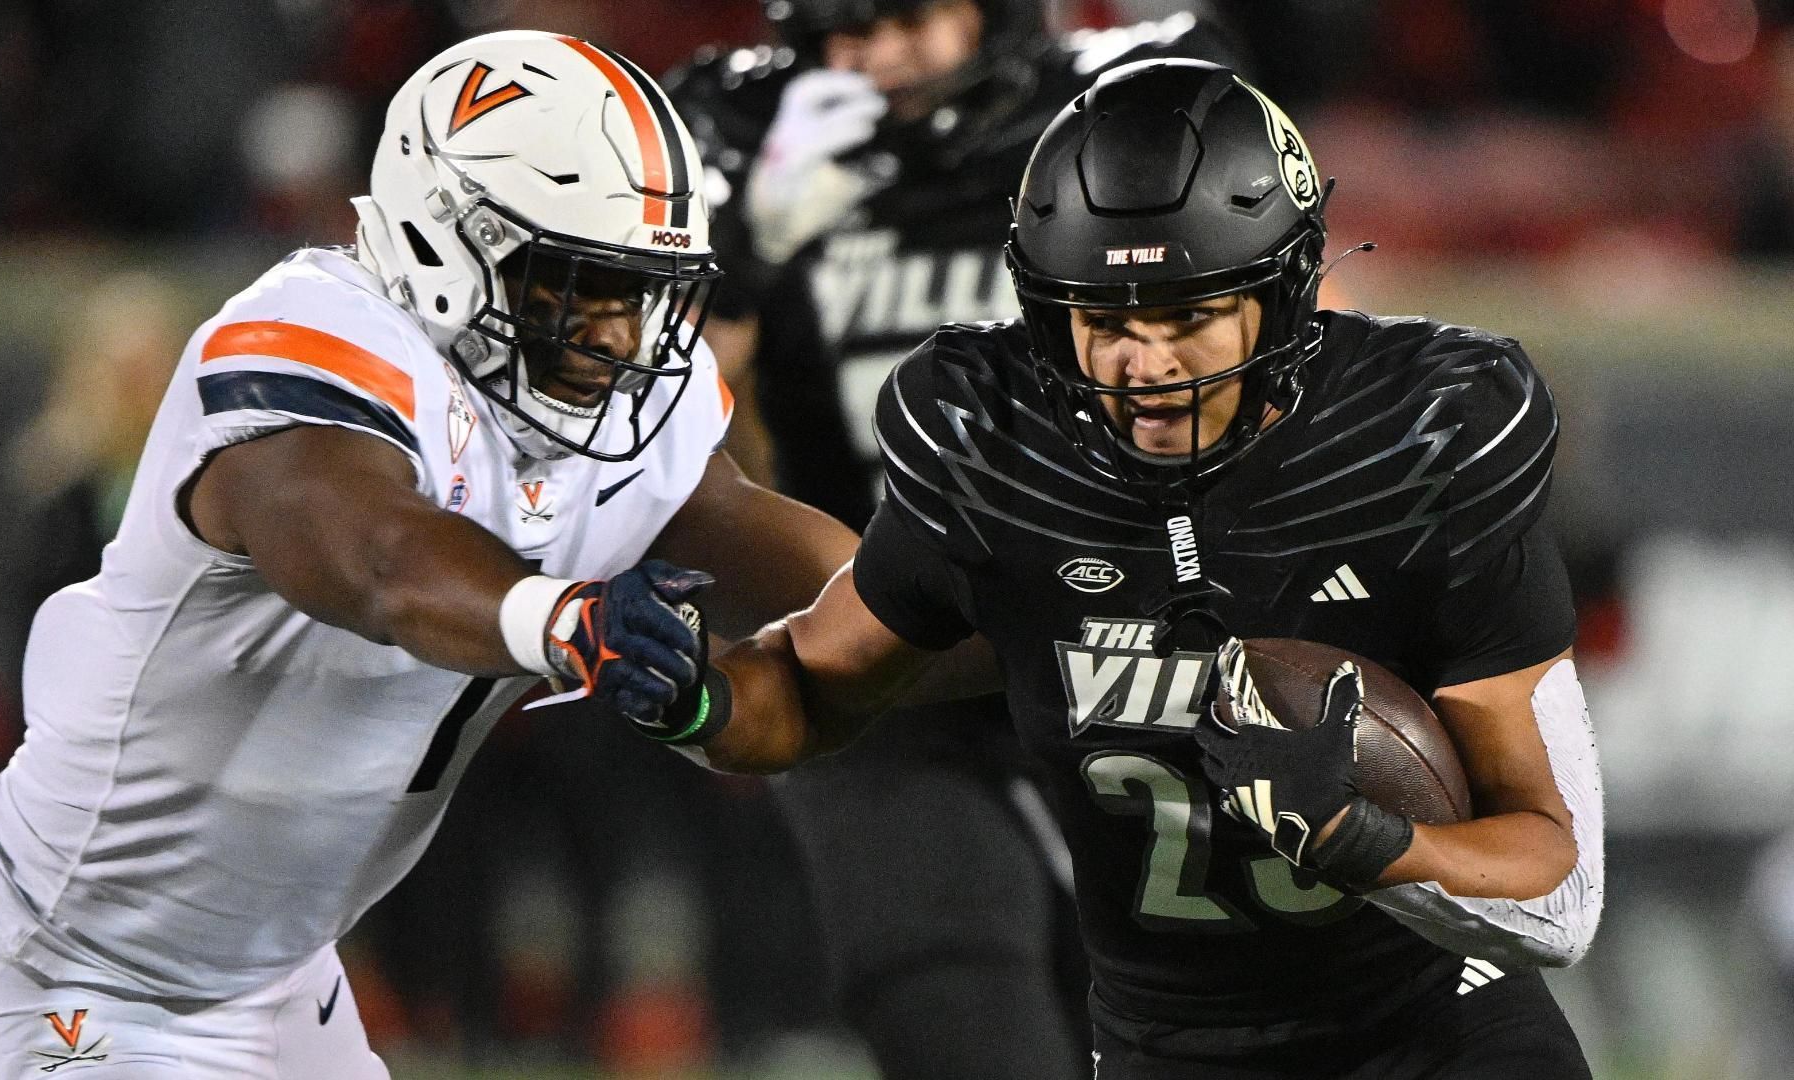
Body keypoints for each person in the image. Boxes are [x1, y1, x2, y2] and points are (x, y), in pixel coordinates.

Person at [0, 30, 859, 1079]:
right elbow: (379, 562)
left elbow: (837, 578)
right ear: (454, 241)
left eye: (640, 290)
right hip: (68, 968)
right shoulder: (312, 333)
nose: (621, 337)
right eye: (579, 284)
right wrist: (566, 619)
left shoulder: (617, 411)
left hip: (283, 982)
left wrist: (997, 594)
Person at [648, 59, 1607, 1079]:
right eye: (1103, 319)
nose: (1141, 365)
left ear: (1278, 298)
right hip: (1175, 1050)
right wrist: (694, 696)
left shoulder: (1414, 451)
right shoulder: (997, 453)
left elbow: (1557, 891)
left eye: (1186, 316)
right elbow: (808, 688)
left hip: (1434, 1026)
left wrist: (1364, 839)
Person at [664, 5, 1249, 1077]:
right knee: (953, 1005)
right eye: (843, 29)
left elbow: (1266, 352)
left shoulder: (1132, 95)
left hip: (1135, 631)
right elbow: (681, 453)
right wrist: (740, 262)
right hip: (882, 629)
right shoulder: (743, 130)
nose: (876, 58)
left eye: (907, 16)